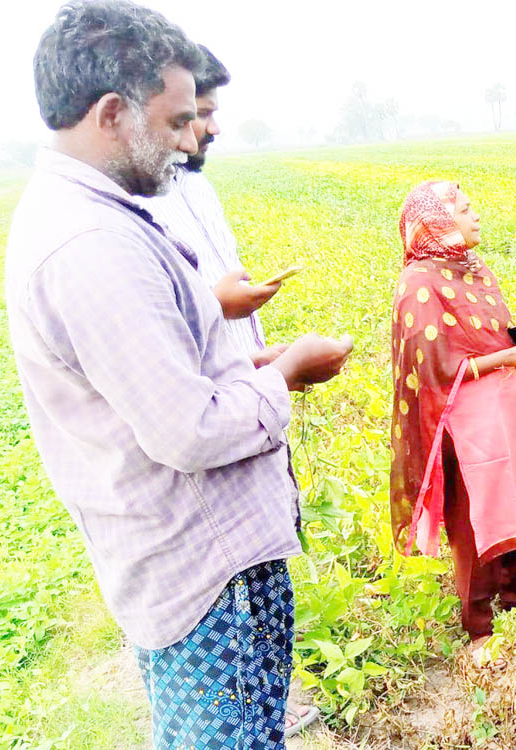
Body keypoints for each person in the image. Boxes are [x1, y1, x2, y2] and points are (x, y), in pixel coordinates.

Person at [6, 2, 353, 747]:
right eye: (172, 123)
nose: (187, 140)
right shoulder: (89, 243)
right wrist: (285, 374)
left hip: (212, 555)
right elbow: (185, 431)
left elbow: (163, 373)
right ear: (109, 113)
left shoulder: (110, 213)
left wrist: (244, 366)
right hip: (200, 574)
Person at [135, 43, 319, 737]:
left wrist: (256, 349)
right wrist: (228, 315)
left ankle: (269, 703)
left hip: (244, 412)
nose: (208, 130)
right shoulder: (123, 213)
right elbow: (163, 349)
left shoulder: (196, 189)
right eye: (195, 115)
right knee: (215, 697)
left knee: (255, 648)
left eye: (208, 114)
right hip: (200, 494)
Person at [389, 181, 516, 643]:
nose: (476, 217)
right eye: (465, 211)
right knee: (475, 519)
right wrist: (506, 360)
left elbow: (490, 335)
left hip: (503, 410)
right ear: (437, 224)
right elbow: (433, 367)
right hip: (463, 423)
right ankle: (480, 627)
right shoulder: (419, 284)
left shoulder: (472, 269)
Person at [139, 45, 281, 357]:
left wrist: (260, 366)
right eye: (201, 114)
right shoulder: (136, 205)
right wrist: (215, 306)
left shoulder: (197, 184)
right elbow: (142, 341)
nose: (214, 128)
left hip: (240, 387)